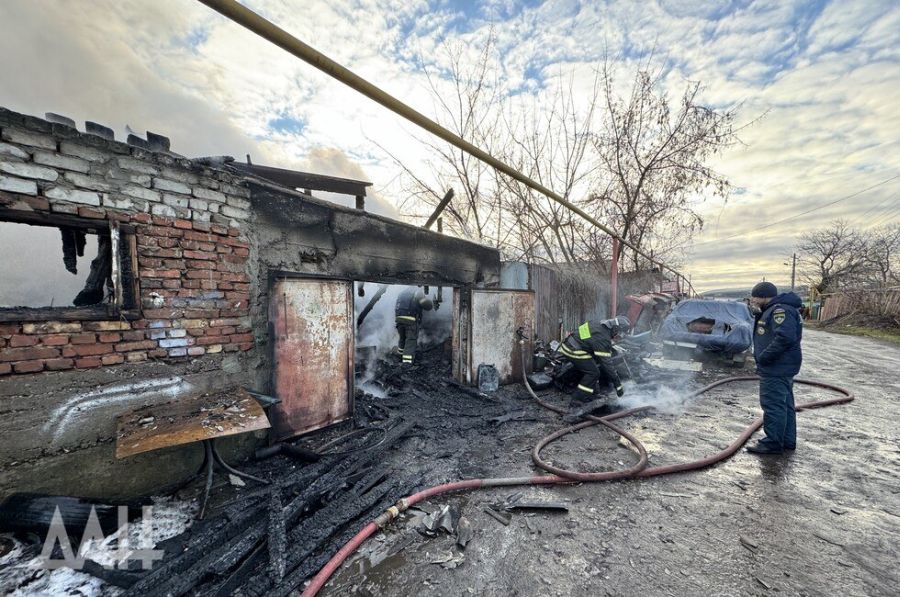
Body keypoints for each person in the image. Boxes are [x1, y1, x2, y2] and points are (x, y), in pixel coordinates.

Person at [747, 281, 803, 455]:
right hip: (782, 366)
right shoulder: (775, 309)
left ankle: (772, 443)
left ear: (764, 296)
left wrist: (764, 357)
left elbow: (784, 338)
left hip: (776, 366)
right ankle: (786, 440)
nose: (753, 300)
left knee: (773, 405)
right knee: (785, 404)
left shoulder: (780, 311)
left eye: (755, 297)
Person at [558, 316, 630, 401]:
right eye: (619, 333)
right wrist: (618, 386)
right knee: (593, 373)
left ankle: (594, 393)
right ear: (615, 328)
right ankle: (577, 400)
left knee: (595, 366)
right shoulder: (603, 338)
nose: (618, 336)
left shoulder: (598, 322)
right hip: (573, 350)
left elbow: (588, 339)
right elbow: (607, 365)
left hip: (570, 344)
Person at [395, 286, 433, 365]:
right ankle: (407, 363)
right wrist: (431, 303)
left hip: (399, 319)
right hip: (410, 319)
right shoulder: (417, 292)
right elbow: (426, 306)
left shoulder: (402, 293)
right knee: (411, 340)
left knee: (403, 338)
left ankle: (399, 356)